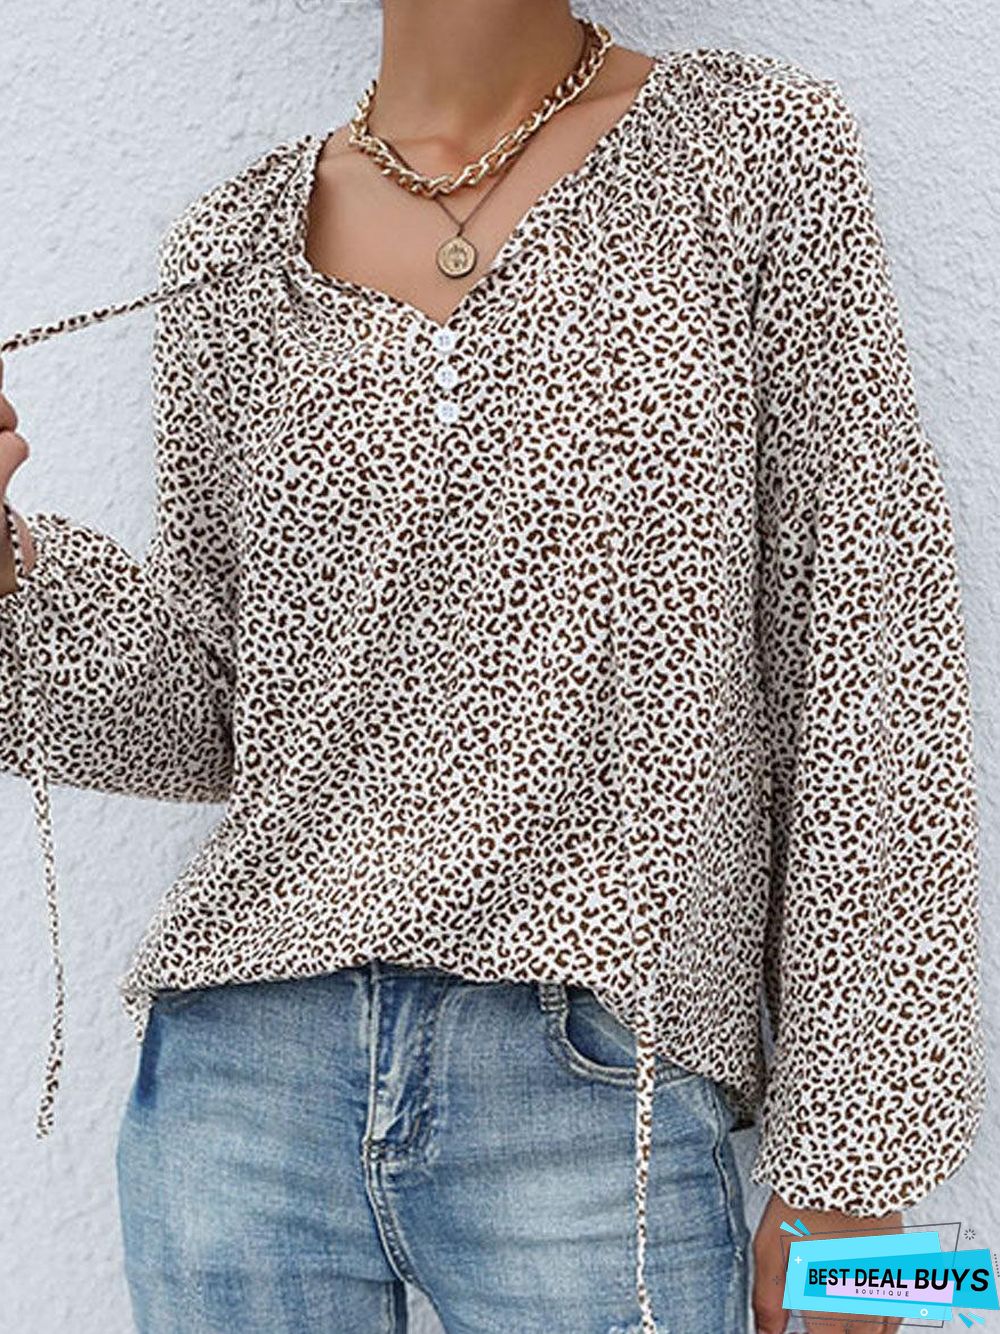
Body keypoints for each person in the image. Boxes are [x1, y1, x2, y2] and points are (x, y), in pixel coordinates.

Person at [0, 3, 984, 1332]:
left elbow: (872, 645)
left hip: (596, 1092)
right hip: (238, 1085)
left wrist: (859, 1185)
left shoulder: (749, 152)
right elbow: (218, 708)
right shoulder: (229, 247)